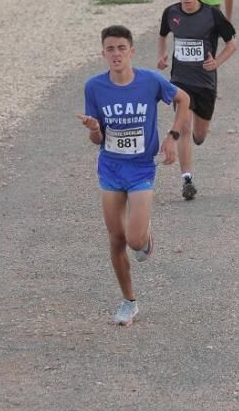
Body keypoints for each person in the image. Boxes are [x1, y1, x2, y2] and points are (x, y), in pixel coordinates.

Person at [77, 25, 190, 325]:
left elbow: (184, 99)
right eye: (110, 49)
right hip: (111, 168)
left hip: (141, 168)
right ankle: (129, 302)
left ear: (131, 51)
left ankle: (144, 238)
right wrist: (95, 129)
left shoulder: (150, 81)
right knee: (116, 239)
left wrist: (172, 136)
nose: (116, 54)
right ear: (103, 53)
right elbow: (97, 140)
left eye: (121, 48)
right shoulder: (94, 87)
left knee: (134, 241)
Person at [157, 0, 236, 200]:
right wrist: (162, 56)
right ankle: (187, 180)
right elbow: (162, 35)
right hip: (180, 81)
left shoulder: (212, 14)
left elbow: (232, 44)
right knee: (184, 128)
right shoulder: (171, 13)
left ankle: (194, 143)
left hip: (205, 83)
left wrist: (216, 62)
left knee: (199, 136)